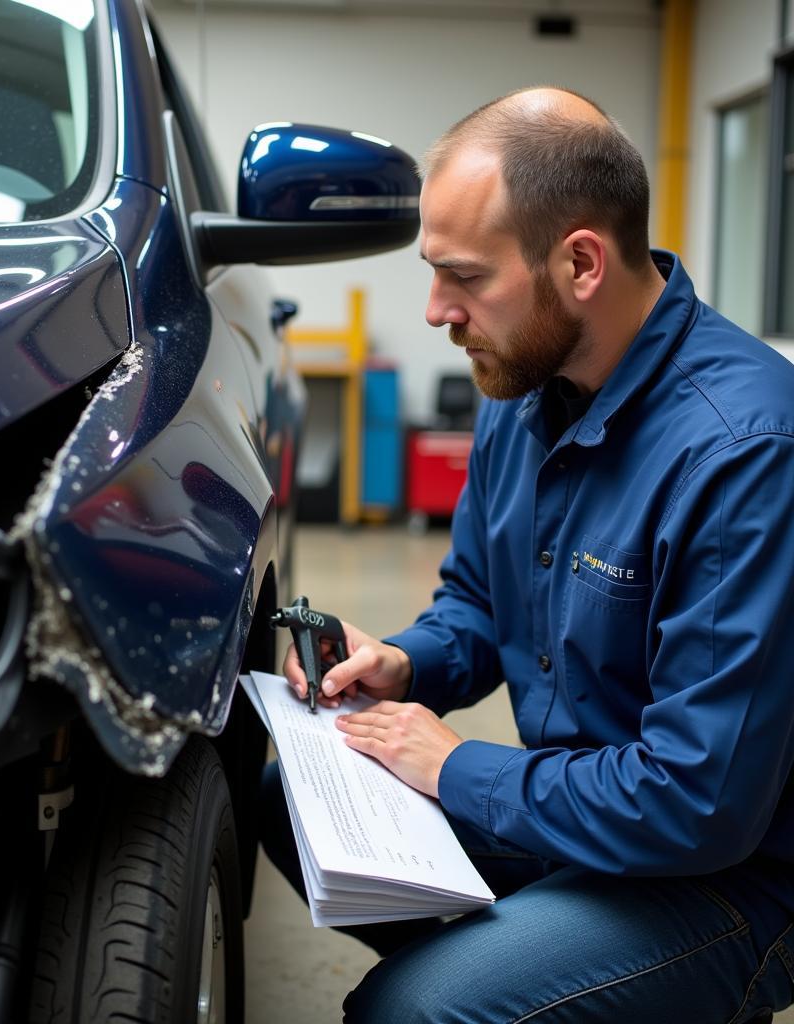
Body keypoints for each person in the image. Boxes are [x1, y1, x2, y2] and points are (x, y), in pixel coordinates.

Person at [260, 86, 794, 1023]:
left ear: (580, 262)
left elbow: (698, 800)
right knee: (284, 798)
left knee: (413, 1010)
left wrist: (452, 767)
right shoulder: (521, 392)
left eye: (464, 277)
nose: (434, 312)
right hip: (584, 815)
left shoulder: (744, 453)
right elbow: (477, 600)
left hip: (729, 870)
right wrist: (404, 662)